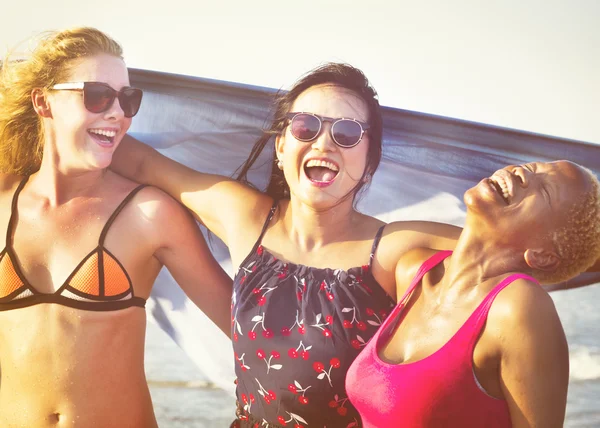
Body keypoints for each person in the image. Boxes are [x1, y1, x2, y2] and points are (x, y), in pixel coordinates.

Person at [112, 64, 600, 427]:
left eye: (347, 133)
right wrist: (54, 107)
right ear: (281, 146)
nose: (323, 142)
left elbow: (497, 251)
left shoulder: (392, 250)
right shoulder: (241, 216)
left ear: (369, 164)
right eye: (305, 127)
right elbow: (140, 164)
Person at [0, 27, 232, 427]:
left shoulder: (149, 214)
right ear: (43, 102)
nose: (117, 113)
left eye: (128, 99)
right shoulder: (4, 201)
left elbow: (249, 331)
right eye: (97, 95)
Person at [346, 160, 600, 428]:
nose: (522, 172)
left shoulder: (518, 307)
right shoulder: (412, 271)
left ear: (542, 256)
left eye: (545, 190)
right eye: (532, 166)